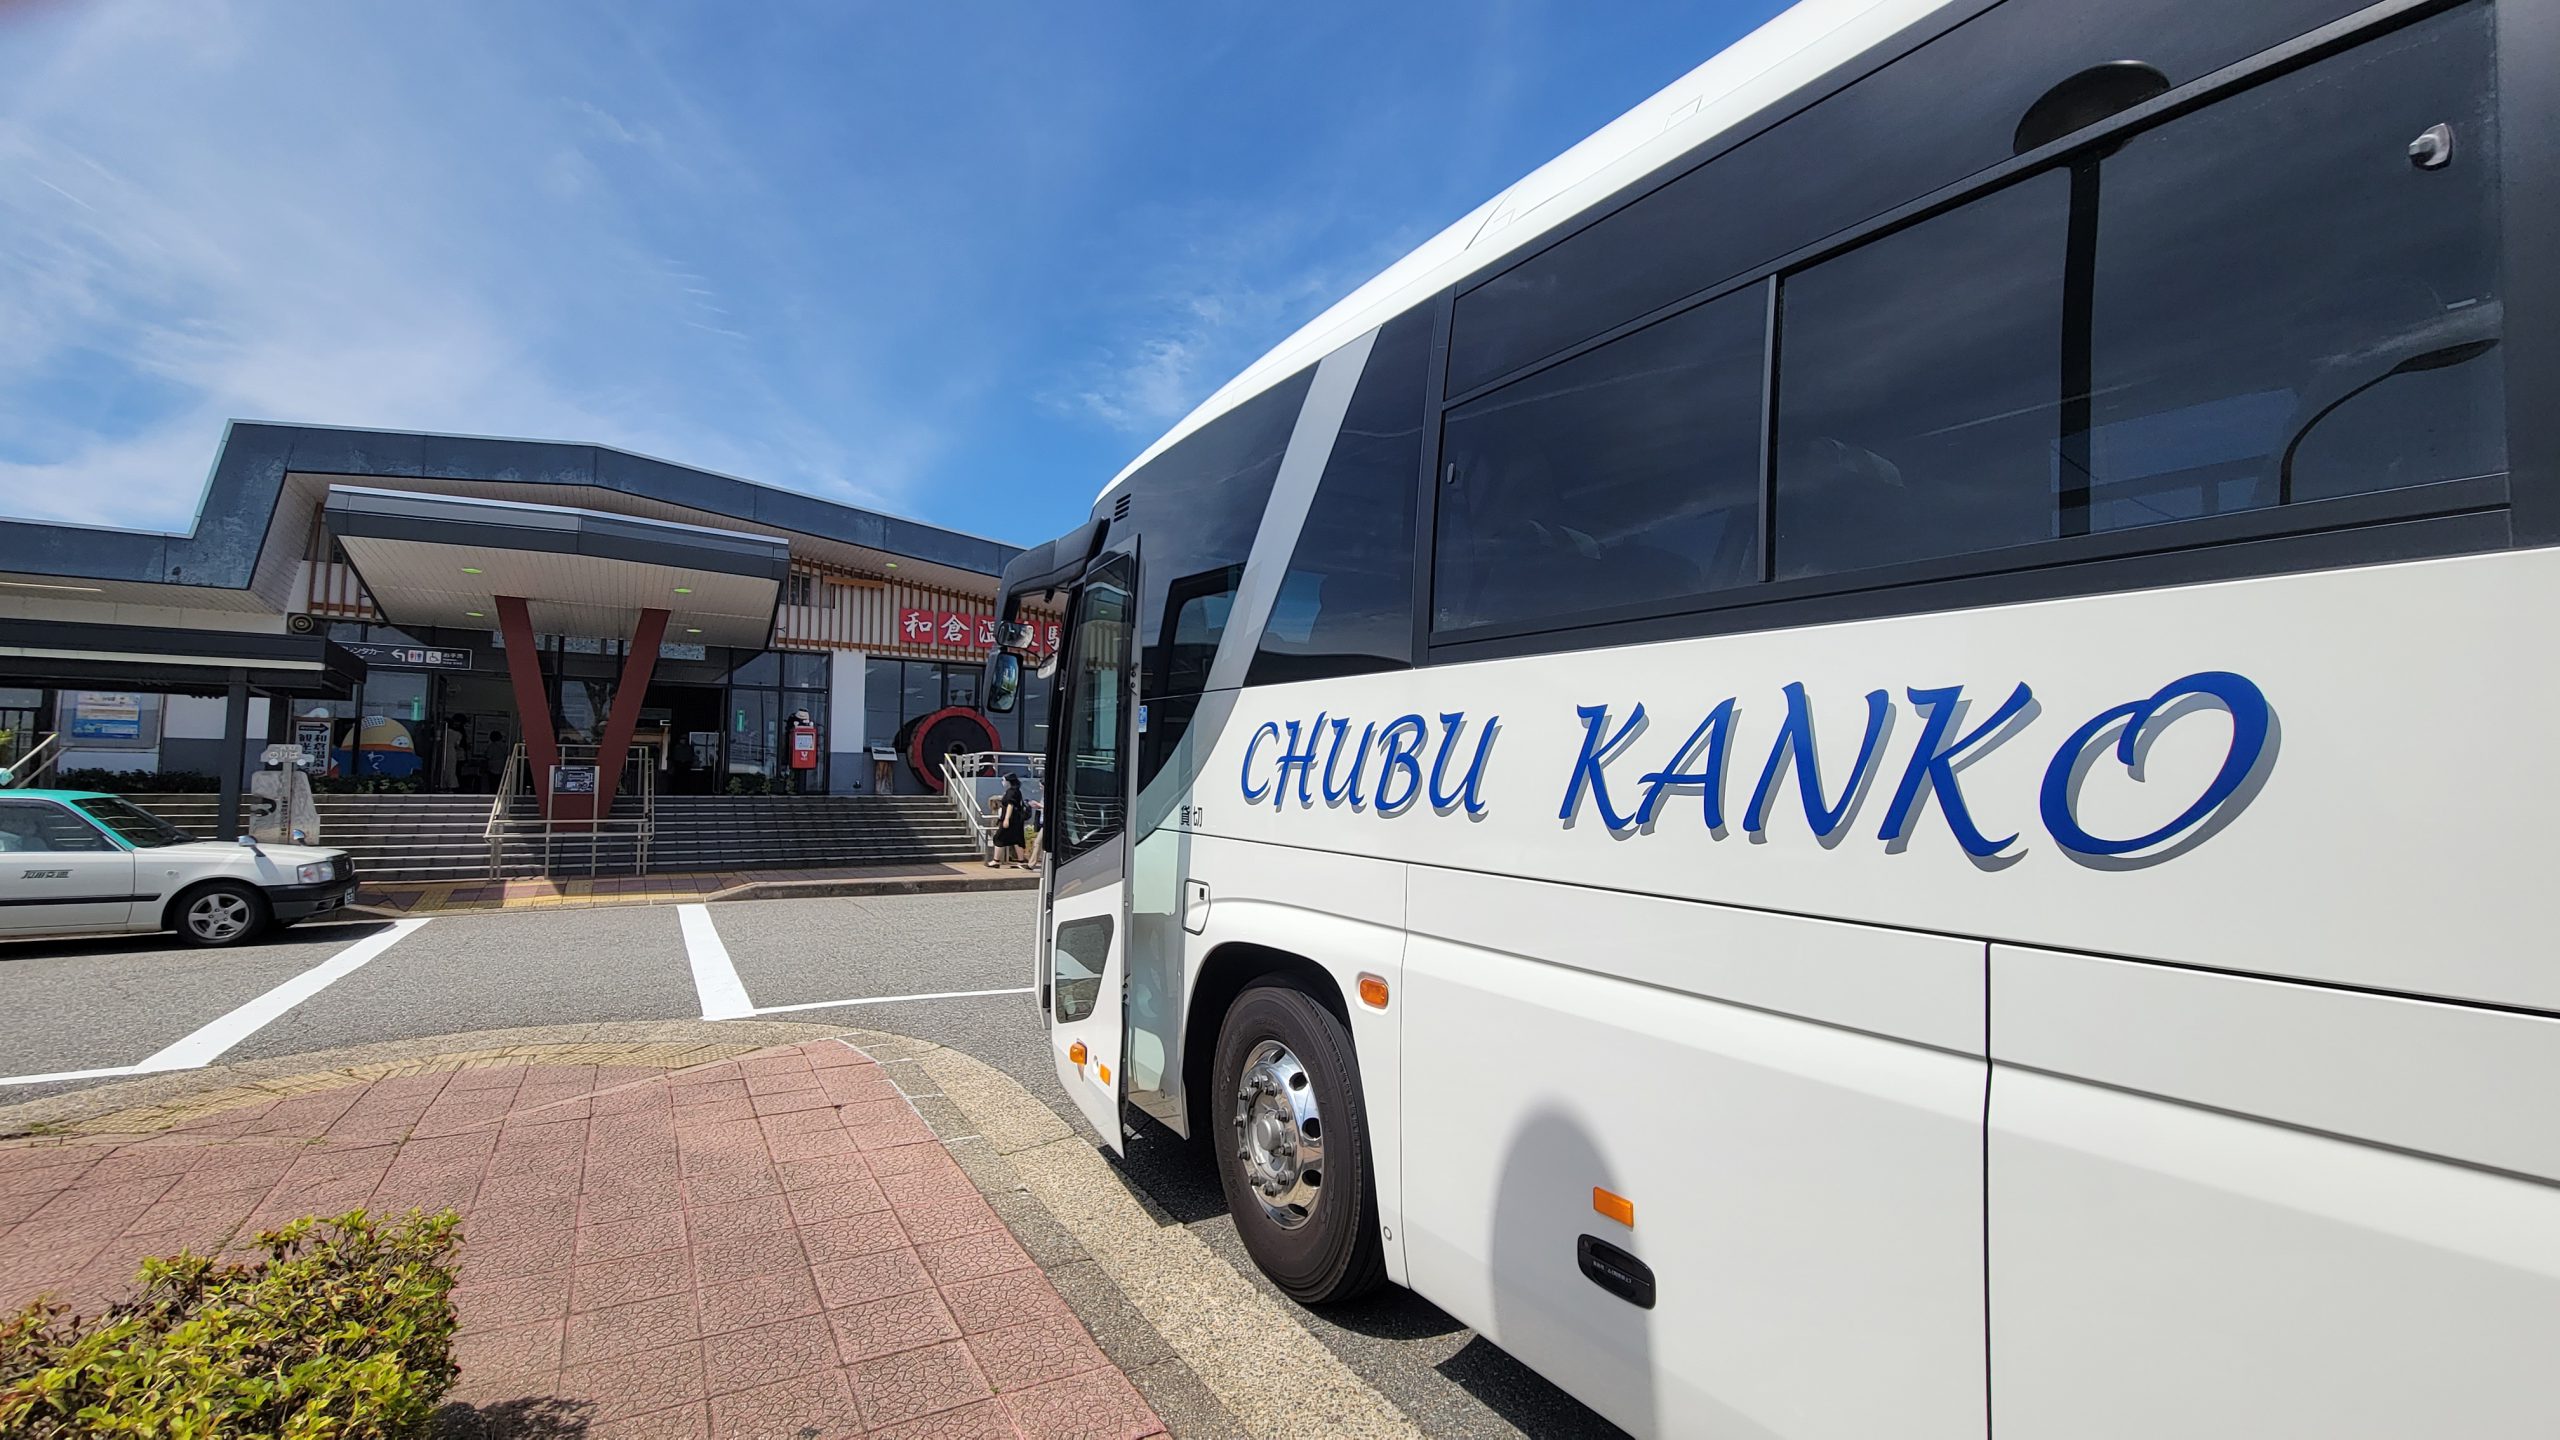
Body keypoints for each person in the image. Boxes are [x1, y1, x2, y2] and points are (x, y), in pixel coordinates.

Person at [989, 772, 1027, 868]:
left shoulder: (1011, 792)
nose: (1002, 782)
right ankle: (1021, 861)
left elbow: (1010, 805)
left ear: (1009, 781)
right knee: (1017, 839)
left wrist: (1006, 819)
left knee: (998, 837)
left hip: (1011, 819)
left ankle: (995, 860)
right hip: (1017, 819)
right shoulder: (1016, 791)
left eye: (1004, 780)